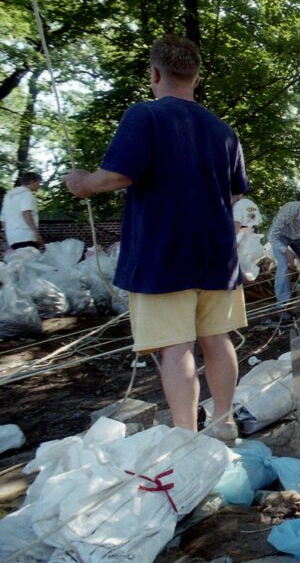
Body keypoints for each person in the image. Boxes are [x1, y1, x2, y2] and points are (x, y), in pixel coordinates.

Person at [63, 34, 247, 441]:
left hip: (163, 255)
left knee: (176, 347)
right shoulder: (224, 131)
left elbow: (118, 175)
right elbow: (233, 190)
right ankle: (223, 422)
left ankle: (185, 436)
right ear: (196, 79)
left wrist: (84, 184)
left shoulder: (144, 116)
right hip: (217, 255)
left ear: (155, 73)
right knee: (217, 339)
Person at [2, 171, 45, 250]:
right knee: (30, 261)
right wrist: (37, 234)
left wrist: (8, 236)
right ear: (32, 182)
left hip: (12, 238)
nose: (39, 186)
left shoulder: (8, 197)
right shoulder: (26, 194)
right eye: (38, 183)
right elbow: (26, 213)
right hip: (26, 236)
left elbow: (3, 220)